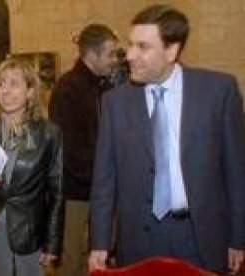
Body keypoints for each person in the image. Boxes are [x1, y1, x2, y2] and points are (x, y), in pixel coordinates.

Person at [89, 4, 245, 275]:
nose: (131, 55)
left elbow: (236, 172)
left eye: (143, 46)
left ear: (172, 51)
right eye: (130, 44)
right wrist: (100, 242)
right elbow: (105, 178)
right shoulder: (115, 102)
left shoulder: (219, 91)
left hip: (201, 238)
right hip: (139, 239)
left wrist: (238, 237)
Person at [0, 58, 64, 276]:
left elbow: (57, 192)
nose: (5, 90)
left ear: (30, 91)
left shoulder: (49, 133)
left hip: (30, 229)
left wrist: (53, 243)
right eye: (1, 84)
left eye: (14, 83)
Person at [48, 23, 120, 275]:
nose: (115, 60)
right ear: (91, 55)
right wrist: (100, 180)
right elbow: (65, 147)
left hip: (101, 188)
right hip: (75, 191)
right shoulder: (67, 88)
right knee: (73, 256)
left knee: (100, 252)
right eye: (110, 54)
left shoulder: (106, 87)